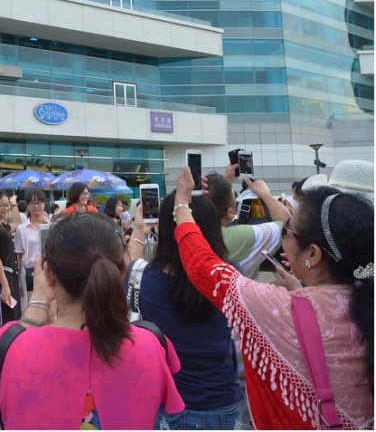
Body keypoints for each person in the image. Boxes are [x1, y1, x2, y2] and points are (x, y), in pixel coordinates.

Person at [174, 166, 374, 429]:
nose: (284, 235)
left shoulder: (278, 308)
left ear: (312, 254)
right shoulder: (364, 299)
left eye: (287, 230)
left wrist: (181, 203)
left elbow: (203, 266)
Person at [0, 213, 184, 428]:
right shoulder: (153, 344)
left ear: (49, 275)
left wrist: (38, 299)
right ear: (120, 272)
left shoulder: (9, 346)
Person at [127, 195, 243, 429]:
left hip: (165, 405)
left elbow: (132, 268)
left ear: (167, 230)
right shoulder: (230, 275)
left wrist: (140, 230)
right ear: (213, 229)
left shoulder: (143, 280)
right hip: (222, 402)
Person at [205, 168, 290, 277]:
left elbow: (206, 201)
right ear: (230, 212)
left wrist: (222, 181)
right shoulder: (242, 236)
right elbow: (286, 224)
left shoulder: (186, 229)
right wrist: (264, 193)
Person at [14, 188, 50, 310]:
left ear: (44, 204)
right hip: (29, 273)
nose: (36, 206)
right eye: (32, 203)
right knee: (32, 307)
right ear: (27, 205)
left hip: (48, 271)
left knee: (50, 309)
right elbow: (19, 255)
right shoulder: (22, 229)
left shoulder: (50, 227)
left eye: (39, 202)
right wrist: (18, 278)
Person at [0, 190, 21, 327]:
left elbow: (18, 223)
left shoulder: (4, 226)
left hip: (10, 275)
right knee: (1, 320)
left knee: (12, 318)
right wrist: (5, 285)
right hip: (1, 276)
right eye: (1, 205)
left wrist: (14, 204)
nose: (5, 208)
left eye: (6, 205)